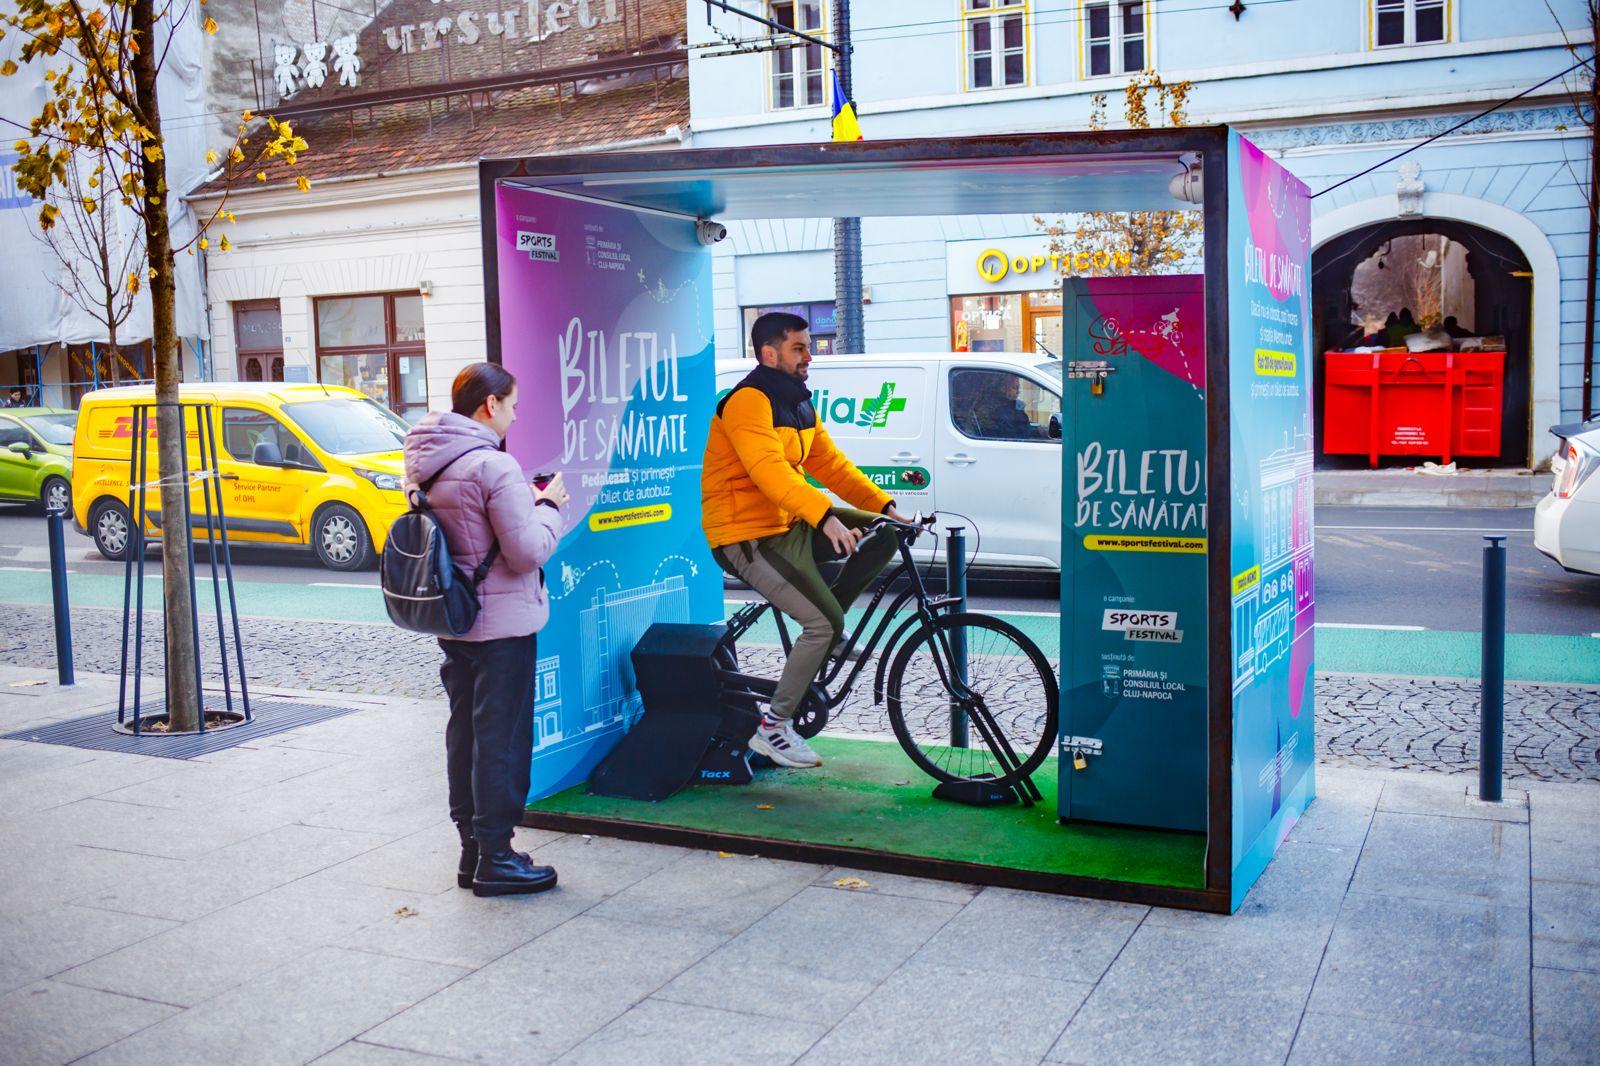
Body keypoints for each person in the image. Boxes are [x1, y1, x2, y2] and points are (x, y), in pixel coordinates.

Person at [702, 312, 914, 769]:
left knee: (885, 535)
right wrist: (824, 518)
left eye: (808, 346)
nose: (809, 355)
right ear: (769, 354)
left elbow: (832, 466)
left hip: (788, 523)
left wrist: (886, 506)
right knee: (821, 622)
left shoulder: (798, 402)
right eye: (799, 348)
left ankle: (830, 630)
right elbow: (769, 472)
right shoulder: (745, 402)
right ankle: (775, 727)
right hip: (747, 535)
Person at [403, 362, 568, 897]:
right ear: (490, 405)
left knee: (466, 735)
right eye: (513, 405)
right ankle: (497, 857)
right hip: (503, 626)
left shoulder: (425, 463)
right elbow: (526, 553)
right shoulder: (492, 467)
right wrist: (548, 507)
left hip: (456, 621)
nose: (515, 415)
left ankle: (472, 851)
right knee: (501, 738)